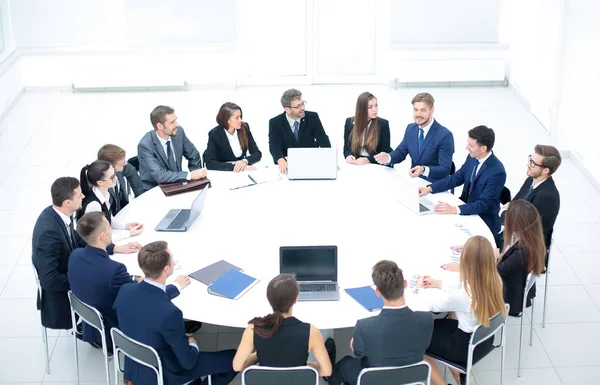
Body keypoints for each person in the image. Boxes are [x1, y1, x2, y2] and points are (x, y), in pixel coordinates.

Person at [114, 241, 237, 385]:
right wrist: (192, 345)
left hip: (135, 365)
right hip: (167, 373)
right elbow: (188, 362)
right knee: (235, 358)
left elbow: (149, 299)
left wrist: (177, 286)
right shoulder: (170, 314)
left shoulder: (125, 291)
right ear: (166, 269)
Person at [68, 212, 188, 352]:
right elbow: (148, 297)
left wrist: (133, 277)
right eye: (108, 227)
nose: (111, 230)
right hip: (114, 327)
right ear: (102, 236)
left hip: (90, 319)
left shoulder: (75, 255)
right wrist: (177, 285)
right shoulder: (114, 270)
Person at [31, 177, 139, 331]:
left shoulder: (58, 214)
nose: (83, 196)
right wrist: (81, 281)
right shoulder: (49, 233)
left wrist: (114, 248)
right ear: (67, 202)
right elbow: (48, 280)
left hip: (74, 270)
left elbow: (79, 239)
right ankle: (102, 331)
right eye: (79, 194)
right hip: (62, 297)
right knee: (114, 290)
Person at [418, 236, 507, 385]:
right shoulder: (495, 280)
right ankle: (460, 376)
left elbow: (432, 305)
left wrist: (421, 288)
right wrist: (438, 283)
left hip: (463, 347)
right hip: (484, 339)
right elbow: (465, 283)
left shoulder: (464, 296)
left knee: (416, 342)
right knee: (445, 322)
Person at [328, 261, 433, 385]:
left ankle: (329, 376)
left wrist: (355, 344)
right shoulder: (426, 319)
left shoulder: (364, 327)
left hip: (374, 378)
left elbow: (358, 354)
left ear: (377, 292)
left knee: (344, 364)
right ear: (405, 284)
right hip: (410, 378)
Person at [232, 274, 333, 377]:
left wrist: (259, 355)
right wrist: (303, 367)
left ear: (268, 298)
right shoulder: (311, 332)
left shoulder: (254, 329)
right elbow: (326, 371)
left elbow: (237, 366)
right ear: (296, 299)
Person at [419, 125, 506, 240]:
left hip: (482, 220)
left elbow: (483, 204)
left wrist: (454, 209)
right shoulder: (472, 158)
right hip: (465, 208)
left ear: (483, 148)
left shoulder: (497, 172)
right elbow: (456, 178)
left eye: (471, 145)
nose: (466, 148)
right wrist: (430, 188)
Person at [374, 93, 454, 182]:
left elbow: (445, 169)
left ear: (431, 110)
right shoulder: (410, 129)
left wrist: (424, 169)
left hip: (434, 186)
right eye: (415, 110)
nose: (418, 114)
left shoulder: (445, 135)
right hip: (414, 182)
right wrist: (388, 157)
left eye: (423, 110)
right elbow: (401, 152)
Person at [501, 145, 561, 249]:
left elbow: (522, 226)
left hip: (525, 249)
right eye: (530, 160)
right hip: (513, 236)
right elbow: (514, 204)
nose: (528, 164)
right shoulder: (530, 180)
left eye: (533, 163)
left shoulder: (546, 197)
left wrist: (503, 212)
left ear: (545, 170)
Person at [138, 105, 207, 191]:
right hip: (155, 189)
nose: (177, 125)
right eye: (172, 122)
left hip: (177, 184)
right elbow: (160, 175)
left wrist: (197, 179)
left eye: (176, 120)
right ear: (159, 126)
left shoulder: (179, 132)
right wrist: (190, 175)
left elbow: (194, 155)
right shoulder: (145, 145)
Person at [498, 200, 546, 316]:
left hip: (507, 295)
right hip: (512, 283)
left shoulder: (521, 252)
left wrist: (466, 263)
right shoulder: (530, 238)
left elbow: (496, 271)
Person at [77, 160, 144, 242]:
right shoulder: (94, 205)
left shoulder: (105, 193)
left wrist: (126, 226)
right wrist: (129, 233)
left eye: (114, 174)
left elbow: (108, 218)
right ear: (100, 182)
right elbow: (100, 238)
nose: (116, 178)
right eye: (112, 177)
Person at [268, 89, 331, 174]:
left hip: (310, 162)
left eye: (303, 103)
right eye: (298, 106)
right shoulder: (275, 122)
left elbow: (323, 140)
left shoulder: (313, 117)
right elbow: (274, 145)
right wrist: (280, 160)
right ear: (287, 109)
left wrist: (330, 160)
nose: (303, 108)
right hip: (288, 163)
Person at [203, 102, 262, 172]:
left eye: (240, 116)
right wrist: (237, 167)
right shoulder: (214, 134)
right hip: (225, 173)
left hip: (242, 172)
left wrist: (244, 161)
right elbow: (210, 163)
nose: (240, 120)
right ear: (226, 120)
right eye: (237, 118)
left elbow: (257, 153)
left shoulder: (244, 127)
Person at [343, 92, 392, 165]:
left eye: (376, 105)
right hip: (357, 164)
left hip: (375, 164)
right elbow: (347, 147)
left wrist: (368, 159)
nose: (375, 109)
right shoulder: (349, 122)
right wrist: (348, 155)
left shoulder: (383, 124)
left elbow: (385, 152)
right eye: (370, 107)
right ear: (361, 108)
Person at [97, 144, 144, 215]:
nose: (126, 163)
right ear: (111, 167)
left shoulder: (121, 167)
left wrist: (141, 199)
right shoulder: (100, 185)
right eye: (122, 163)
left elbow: (131, 171)